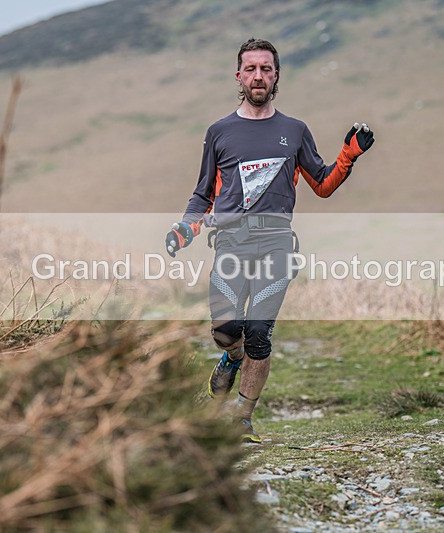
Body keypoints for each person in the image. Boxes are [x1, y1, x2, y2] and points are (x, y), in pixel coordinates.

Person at [165, 38, 375, 443]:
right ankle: (231, 354)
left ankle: (243, 418)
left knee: (260, 330)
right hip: (230, 245)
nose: (259, 76)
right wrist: (184, 229)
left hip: (277, 245)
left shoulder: (294, 131)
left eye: (266, 68)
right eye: (251, 69)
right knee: (227, 329)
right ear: (239, 76)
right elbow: (203, 194)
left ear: (276, 75)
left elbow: (324, 185)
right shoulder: (219, 132)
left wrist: (348, 154)